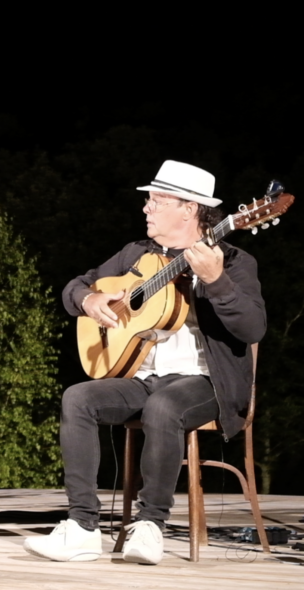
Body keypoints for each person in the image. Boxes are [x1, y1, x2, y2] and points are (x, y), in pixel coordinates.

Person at [24, 161, 266, 564]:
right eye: (149, 200)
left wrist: (216, 281)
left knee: (164, 407)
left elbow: (253, 328)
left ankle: (150, 525)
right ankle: (82, 528)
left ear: (188, 209)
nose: (146, 208)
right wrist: (89, 299)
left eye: (156, 200)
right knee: (78, 398)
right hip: (144, 379)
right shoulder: (136, 254)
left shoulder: (233, 261)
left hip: (205, 384)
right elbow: (75, 287)